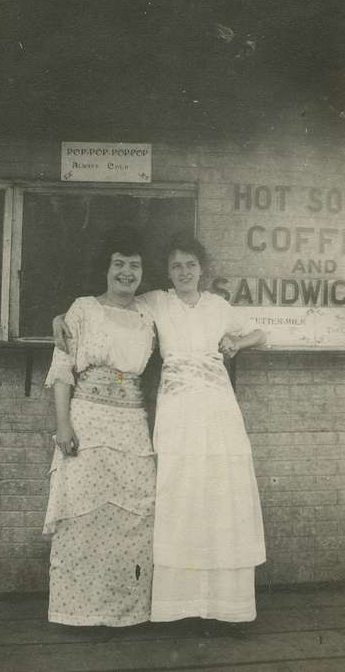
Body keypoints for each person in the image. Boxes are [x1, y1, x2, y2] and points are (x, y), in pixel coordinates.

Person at [53, 232, 266, 626]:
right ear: (167, 272)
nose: (184, 272)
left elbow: (260, 333)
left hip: (218, 408)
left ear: (202, 269)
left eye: (191, 265)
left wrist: (238, 345)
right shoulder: (157, 302)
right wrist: (59, 319)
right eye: (176, 266)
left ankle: (228, 607)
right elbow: (110, 307)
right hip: (177, 409)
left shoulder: (219, 306)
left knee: (221, 493)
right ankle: (180, 606)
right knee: (178, 494)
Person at [43, 227, 156, 626]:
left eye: (135, 265)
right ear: (106, 268)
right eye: (119, 264)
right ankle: (79, 613)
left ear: (143, 272)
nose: (127, 272)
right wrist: (63, 426)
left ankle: (125, 614)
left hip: (132, 424)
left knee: (133, 517)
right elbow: (62, 371)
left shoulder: (149, 312)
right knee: (83, 514)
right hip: (88, 420)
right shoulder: (83, 308)